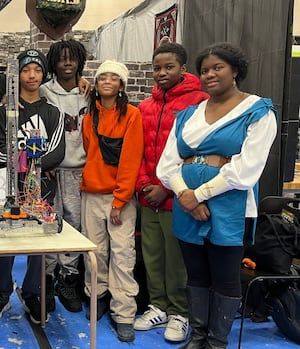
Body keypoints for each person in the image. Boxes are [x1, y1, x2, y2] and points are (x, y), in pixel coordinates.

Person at [157, 43, 277, 349]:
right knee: (195, 274)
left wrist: (199, 194)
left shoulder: (257, 111)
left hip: (229, 207)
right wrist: (185, 195)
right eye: (204, 70)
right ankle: (197, 337)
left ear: (235, 70)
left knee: (224, 276)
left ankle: (216, 343)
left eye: (217, 67)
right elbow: (167, 165)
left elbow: (245, 170)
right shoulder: (187, 115)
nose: (210, 74)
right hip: (186, 204)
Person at [133, 43, 209, 342]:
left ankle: (180, 312)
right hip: (147, 197)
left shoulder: (198, 104)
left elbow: (196, 155)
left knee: (177, 259)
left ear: (183, 69)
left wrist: (166, 188)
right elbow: (137, 151)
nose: (162, 73)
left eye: (169, 67)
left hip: (177, 197)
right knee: (152, 256)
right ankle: (158, 306)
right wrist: (143, 186)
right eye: (157, 68)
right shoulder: (145, 107)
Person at [0, 49, 65, 324]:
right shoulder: (3, 109)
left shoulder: (54, 112)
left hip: (41, 190)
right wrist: (30, 160)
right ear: (16, 75)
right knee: (5, 242)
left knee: (37, 245)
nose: (31, 75)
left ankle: (32, 292)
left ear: (44, 74)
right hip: (9, 190)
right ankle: (3, 293)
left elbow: (57, 152)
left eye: (37, 70)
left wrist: (21, 159)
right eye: (25, 70)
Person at [81, 60, 143, 342]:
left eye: (113, 78)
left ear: (122, 85)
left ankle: (125, 313)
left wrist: (120, 200)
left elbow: (130, 160)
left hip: (120, 198)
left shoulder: (132, 115)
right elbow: (88, 151)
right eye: (102, 77)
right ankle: (97, 297)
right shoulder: (87, 116)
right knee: (95, 252)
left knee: (122, 255)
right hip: (91, 195)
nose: (107, 81)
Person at [40, 39, 89, 313]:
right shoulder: (45, 92)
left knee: (73, 224)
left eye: (72, 58)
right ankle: (45, 278)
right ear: (54, 62)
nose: (67, 63)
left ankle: (68, 277)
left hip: (80, 169)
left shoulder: (88, 93)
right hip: (51, 169)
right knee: (48, 222)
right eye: (62, 58)